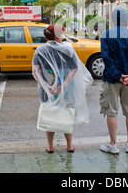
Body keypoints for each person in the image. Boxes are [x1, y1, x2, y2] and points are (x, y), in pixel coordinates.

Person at [32, 24, 93, 153]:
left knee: (49, 113)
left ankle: (50, 146)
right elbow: (74, 69)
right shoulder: (67, 49)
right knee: (67, 113)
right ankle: (69, 145)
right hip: (66, 87)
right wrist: (62, 86)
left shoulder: (40, 50)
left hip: (46, 88)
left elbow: (35, 71)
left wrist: (47, 86)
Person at [99, 8, 128, 154]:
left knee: (111, 112)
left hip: (112, 80)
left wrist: (118, 75)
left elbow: (106, 58)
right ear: (127, 20)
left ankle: (113, 145)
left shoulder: (106, 35)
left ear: (113, 19)